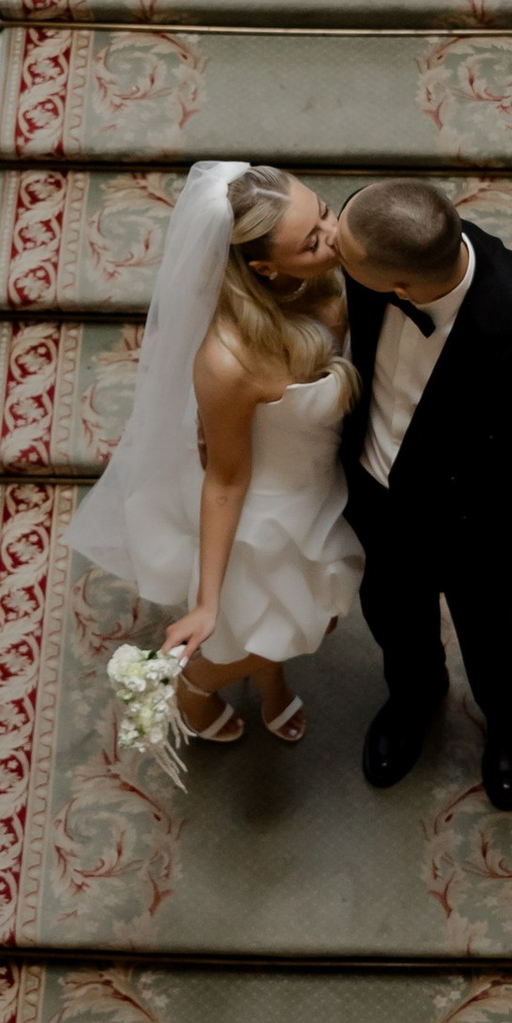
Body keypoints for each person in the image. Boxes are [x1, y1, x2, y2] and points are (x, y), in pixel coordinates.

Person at [333, 175, 512, 809]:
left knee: (496, 644)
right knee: (394, 620)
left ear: (398, 285)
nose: (329, 253)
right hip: (378, 496)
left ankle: (509, 727)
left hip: (479, 524)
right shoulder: (372, 238)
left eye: (340, 256)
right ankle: (414, 699)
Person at [69, 161, 362, 748]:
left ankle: (269, 676)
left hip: (324, 479)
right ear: (263, 268)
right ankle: (196, 688)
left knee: (296, 618)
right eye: (311, 242)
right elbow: (227, 478)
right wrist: (206, 603)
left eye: (325, 212)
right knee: (296, 620)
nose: (335, 235)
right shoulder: (228, 361)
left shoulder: (333, 272)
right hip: (268, 507)